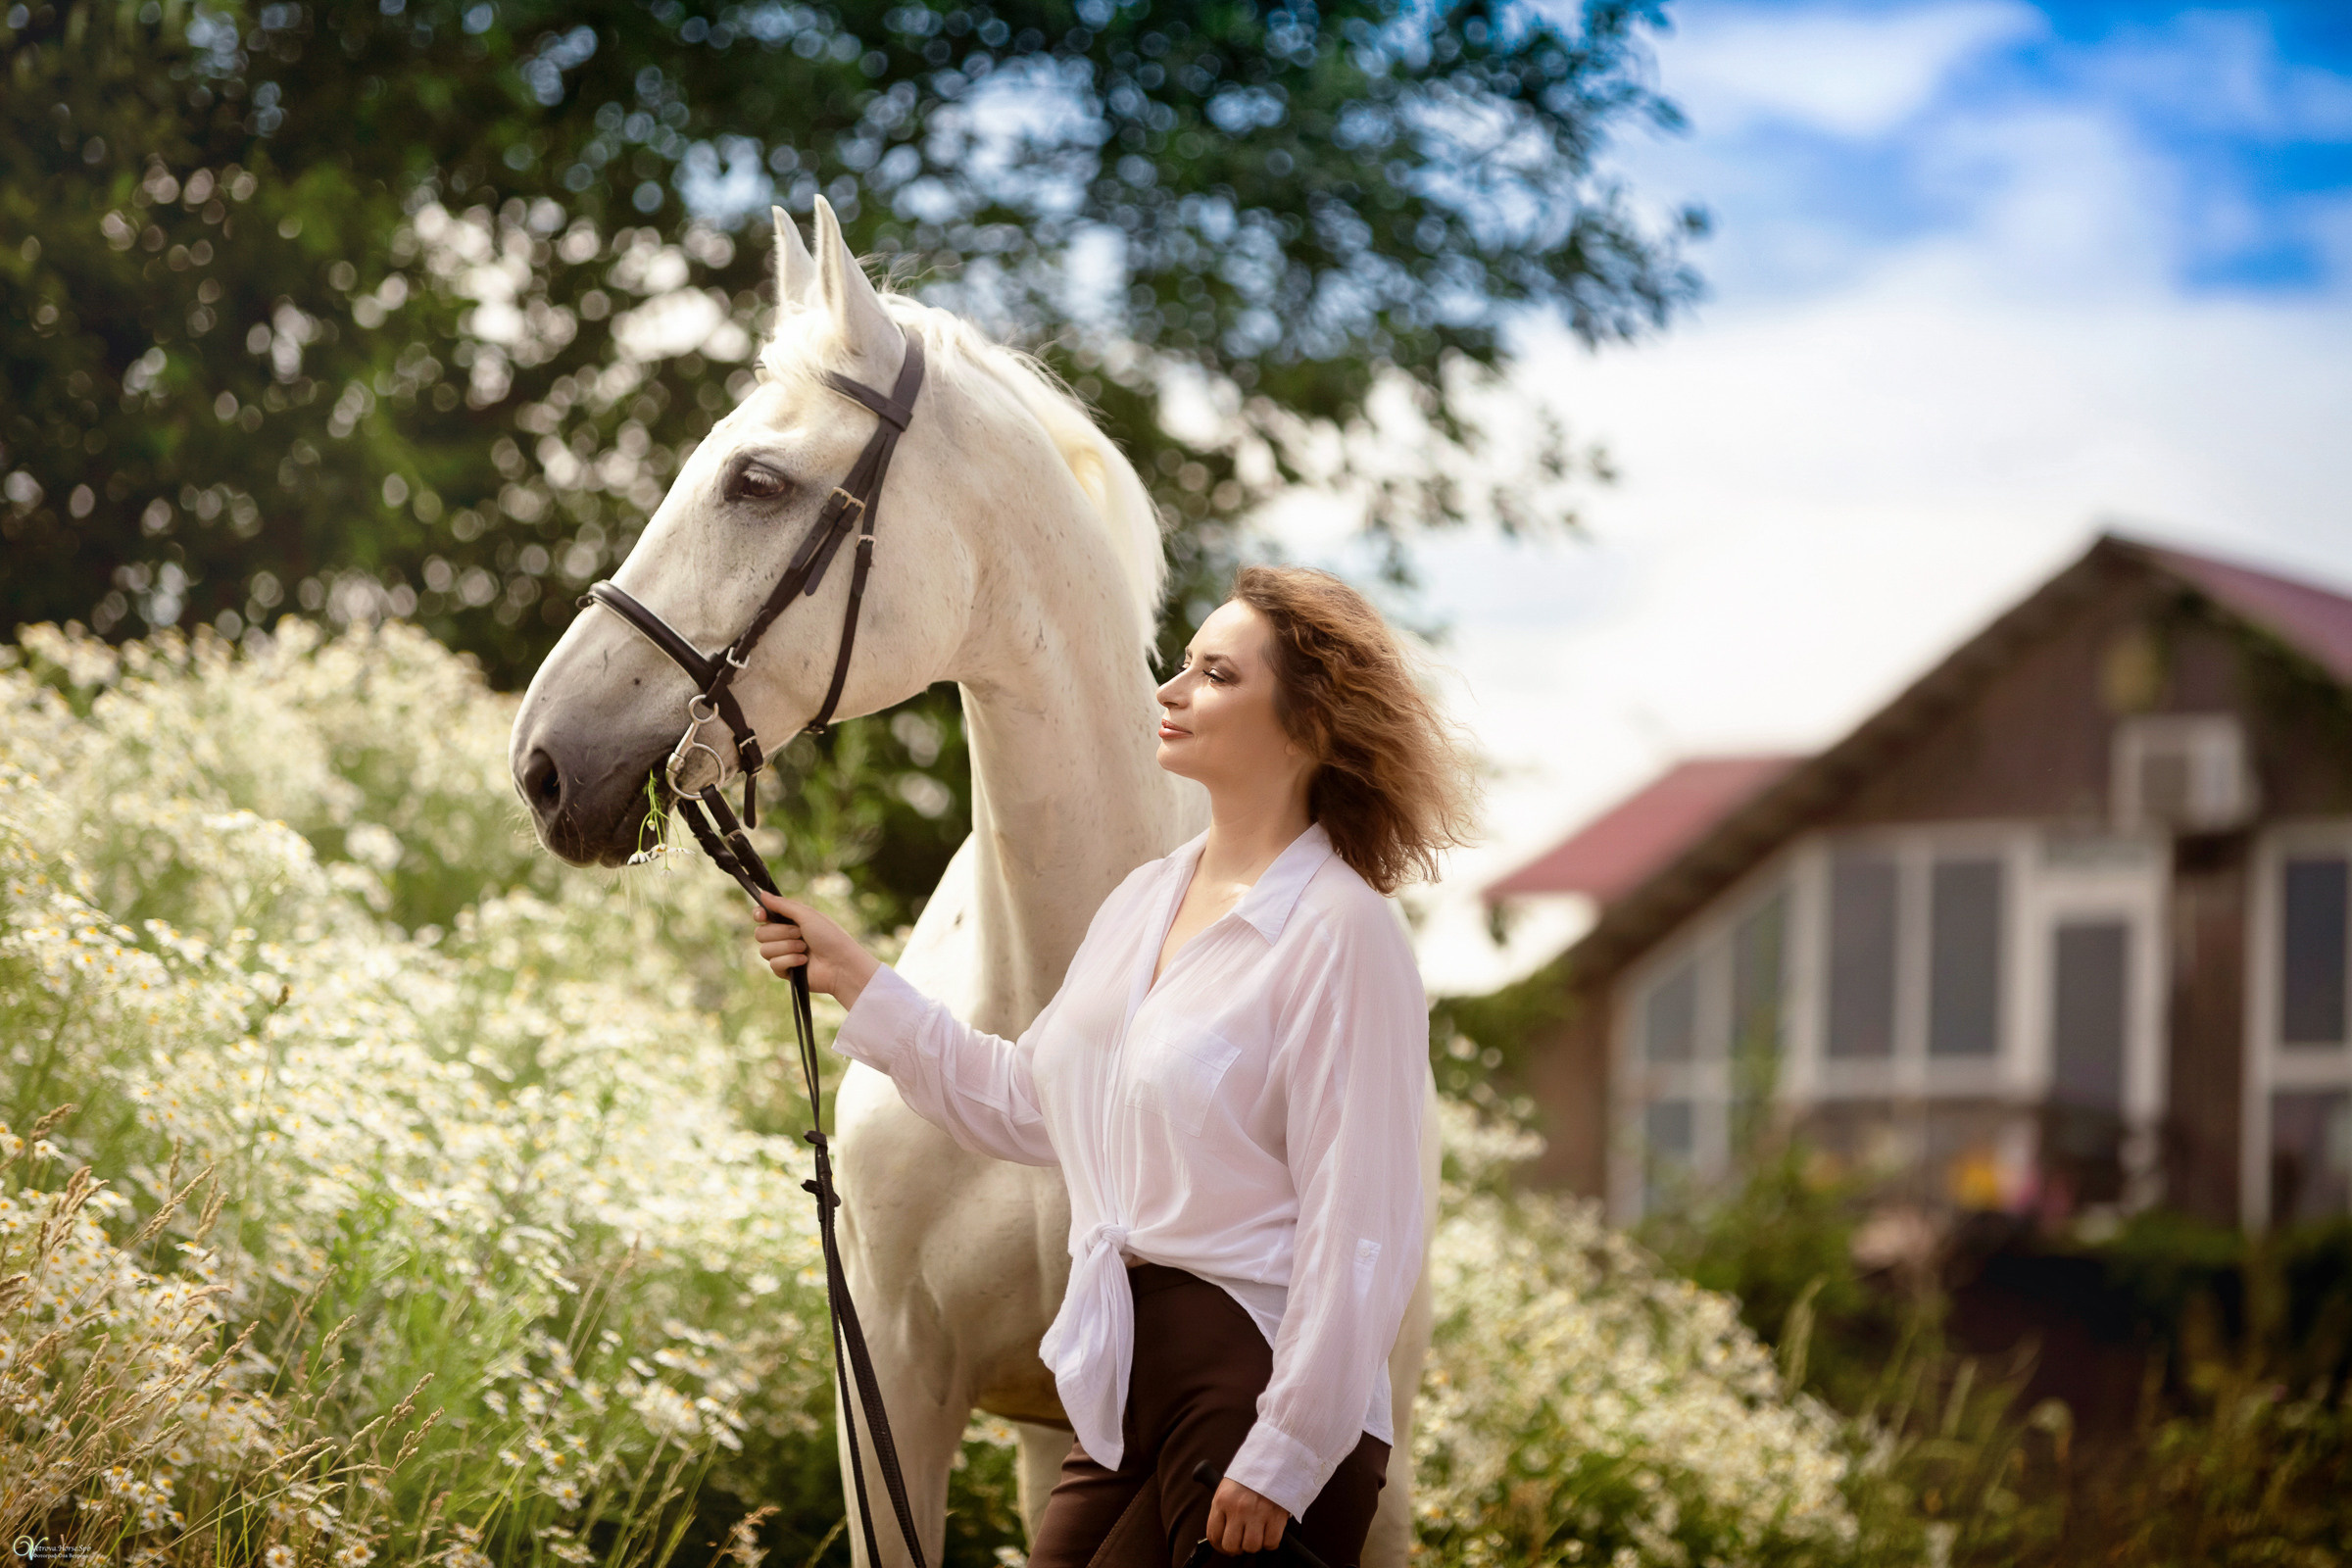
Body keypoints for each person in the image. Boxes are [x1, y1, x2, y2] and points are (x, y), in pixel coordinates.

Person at [752, 565, 1477, 1567]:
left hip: (1253, 1386)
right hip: (1119, 1383)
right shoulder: (1147, 900)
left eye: (1215, 675)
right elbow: (1036, 1104)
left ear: (1308, 726)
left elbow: (1365, 1221)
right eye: (1180, 666)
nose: (1168, 693)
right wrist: (857, 979)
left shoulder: (1343, 930)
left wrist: (1286, 1450)